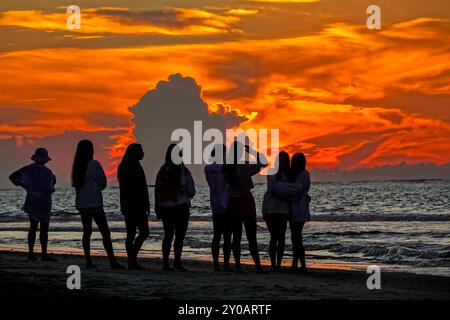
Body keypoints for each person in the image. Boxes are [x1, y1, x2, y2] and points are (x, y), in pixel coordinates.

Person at [71, 139, 123, 269]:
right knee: (105, 232)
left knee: (87, 232)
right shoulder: (93, 164)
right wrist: (96, 190)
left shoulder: (77, 167)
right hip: (94, 203)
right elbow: (103, 182)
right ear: (90, 150)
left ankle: (88, 261)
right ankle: (112, 261)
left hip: (82, 204)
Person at [224, 140, 267, 273]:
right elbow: (264, 162)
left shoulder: (226, 167)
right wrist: (252, 151)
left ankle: (237, 265)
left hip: (232, 202)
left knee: (236, 236)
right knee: (251, 236)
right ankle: (258, 266)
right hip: (245, 202)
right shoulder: (244, 166)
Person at [9, 148, 56, 261]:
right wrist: (54, 182)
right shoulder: (48, 172)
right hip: (44, 200)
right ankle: (44, 254)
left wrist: (24, 186)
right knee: (44, 228)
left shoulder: (27, 169)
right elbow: (49, 189)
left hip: (32, 198)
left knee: (33, 227)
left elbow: (12, 177)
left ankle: (31, 253)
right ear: (45, 160)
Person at [155, 144, 196, 271]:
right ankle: (177, 262)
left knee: (168, 235)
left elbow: (157, 190)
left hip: (165, 207)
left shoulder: (162, 171)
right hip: (181, 207)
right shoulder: (184, 171)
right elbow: (191, 191)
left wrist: (157, 206)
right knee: (179, 236)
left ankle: (165, 263)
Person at [118, 143, 150, 270]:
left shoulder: (126, 166)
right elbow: (140, 188)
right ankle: (132, 260)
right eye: (141, 151)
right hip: (136, 205)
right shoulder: (132, 167)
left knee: (132, 234)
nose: (143, 153)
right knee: (142, 232)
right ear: (135, 153)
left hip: (130, 205)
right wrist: (145, 204)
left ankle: (132, 260)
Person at [204, 144, 232, 272]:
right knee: (226, 236)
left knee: (217, 235)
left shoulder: (208, 169)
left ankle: (216, 264)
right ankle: (225, 264)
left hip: (216, 205)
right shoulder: (227, 168)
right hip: (227, 205)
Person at [262, 151, 291, 271]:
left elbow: (290, 189)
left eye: (285, 160)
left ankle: (279, 264)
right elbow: (274, 188)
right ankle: (273, 263)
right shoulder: (271, 171)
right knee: (274, 236)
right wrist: (288, 190)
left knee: (282, 237)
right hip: (271, 209)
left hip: (284, 209)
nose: (283, 162)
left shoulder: (289, 175)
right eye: (281, 160)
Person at [288, 153, 311, 273]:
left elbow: (299, 190)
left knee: (296, 236)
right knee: (295, 236)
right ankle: (297, 263)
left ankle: (300, 264)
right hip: (294, 208)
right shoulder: (295, 175)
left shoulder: (304, 174)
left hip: (299, 209)